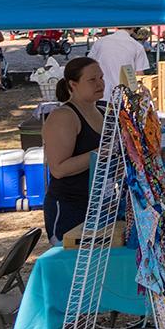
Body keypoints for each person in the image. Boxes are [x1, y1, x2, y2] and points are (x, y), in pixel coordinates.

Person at [41, 57, 104, 243]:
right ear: (72, 84)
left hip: (100, 207)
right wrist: (101, 153)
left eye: (101, 77)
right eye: (92, 80)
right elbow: (58, 169)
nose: (100, 83)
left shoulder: (104, 109)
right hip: (69, 208)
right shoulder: (63, 117)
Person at [89, 25, 150, 103]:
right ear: (134, 28)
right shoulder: (137, 46)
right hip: (125, 97)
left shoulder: (100, 42)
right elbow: (139, 74)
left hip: (101, 93)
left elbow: (89, 65)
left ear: (116, 26)